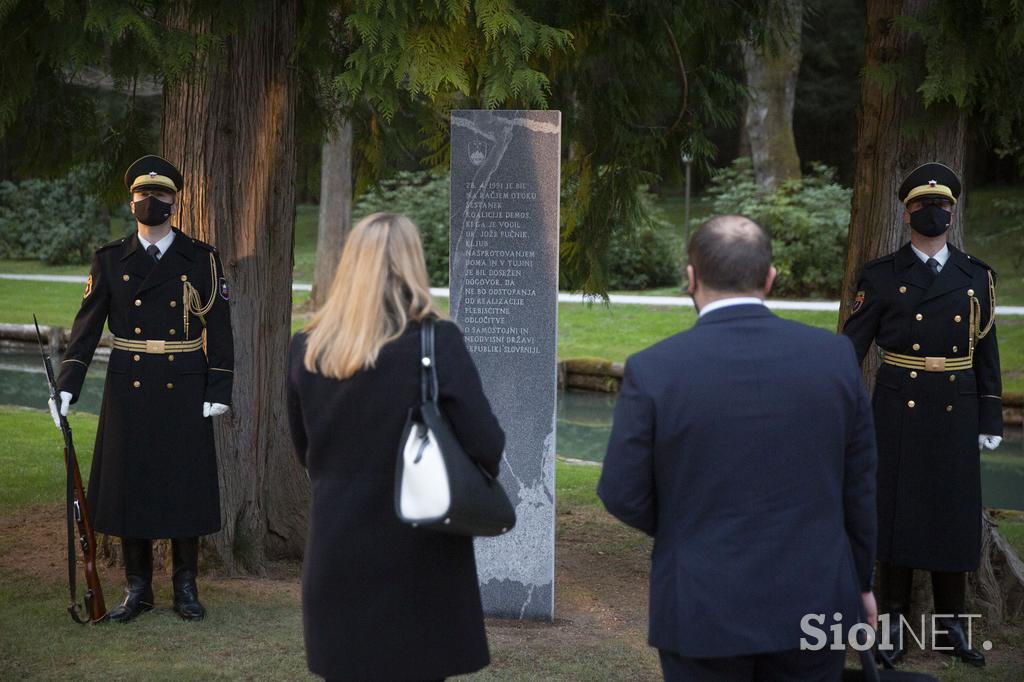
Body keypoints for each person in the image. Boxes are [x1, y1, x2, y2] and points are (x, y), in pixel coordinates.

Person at [598, 215, 878, 682]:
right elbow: (860, 484)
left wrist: (686, 525)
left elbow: (622, 492)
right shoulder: (832, 357)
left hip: (701, 601)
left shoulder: (655, 370)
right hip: (814, 599)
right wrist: (861, 584)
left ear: (691, 278)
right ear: (769, 278)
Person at [286, 212, 505, 682]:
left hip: (337, 547)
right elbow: (487, 445)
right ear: (412, 264)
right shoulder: (437, 342)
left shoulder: (307, 348)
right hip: (420, 552)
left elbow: (304, 449)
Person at [48, 155, 234, 622]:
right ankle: (138, 590)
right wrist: (67, 385)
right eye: (143, 195)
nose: (151, 201)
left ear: (175, 201)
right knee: (131, 485)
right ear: (131, 201)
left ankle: (186, 588)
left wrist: (220, 386)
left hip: (185, 384)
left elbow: (222, 328)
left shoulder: (201, 258)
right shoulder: (110, 260)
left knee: (183, 486)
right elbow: (86, 328)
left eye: (161, 195)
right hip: (128, 384)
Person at [842, 162, 1001, 667]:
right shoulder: (882, 275)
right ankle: (890, 622)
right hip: (897, 405)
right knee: (895, 514)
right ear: (906, 212)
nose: (933, 212)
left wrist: (991, 417)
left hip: (957, 406)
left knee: (952, 513)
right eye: (922, 205)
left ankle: (953, 624)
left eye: (942, 205)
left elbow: (986, 353)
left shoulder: (976, 276)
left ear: (952, 213)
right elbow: (851, 349)